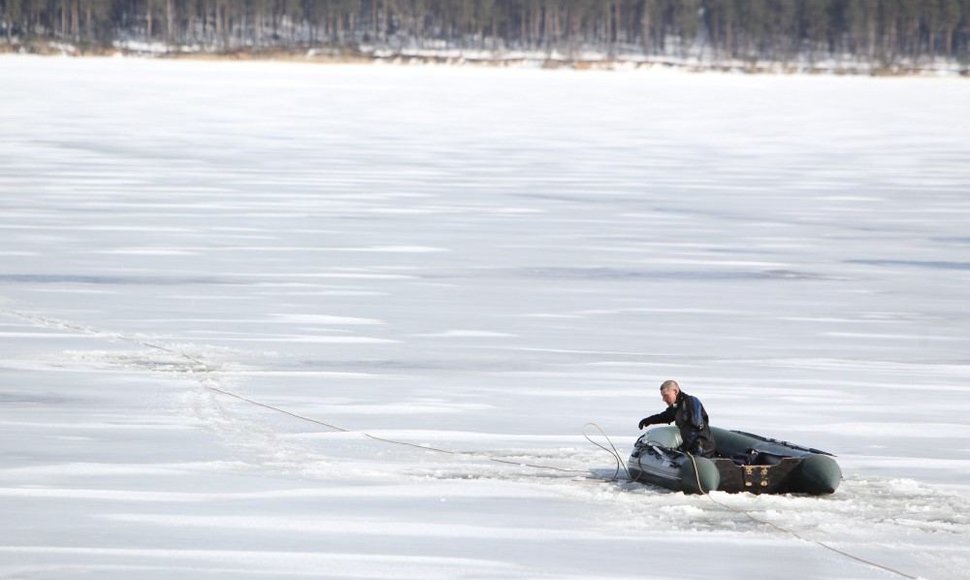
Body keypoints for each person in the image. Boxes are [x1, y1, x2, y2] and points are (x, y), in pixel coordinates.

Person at [638, 380, 715, 457]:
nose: (663, 399)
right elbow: (666, 416)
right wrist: (648, 420)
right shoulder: (677, 405)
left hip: (702, 449)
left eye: (665, 395)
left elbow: (695, 428)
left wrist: (682, 448)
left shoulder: (691, 402)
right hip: (691, 447)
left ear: (675, 391)